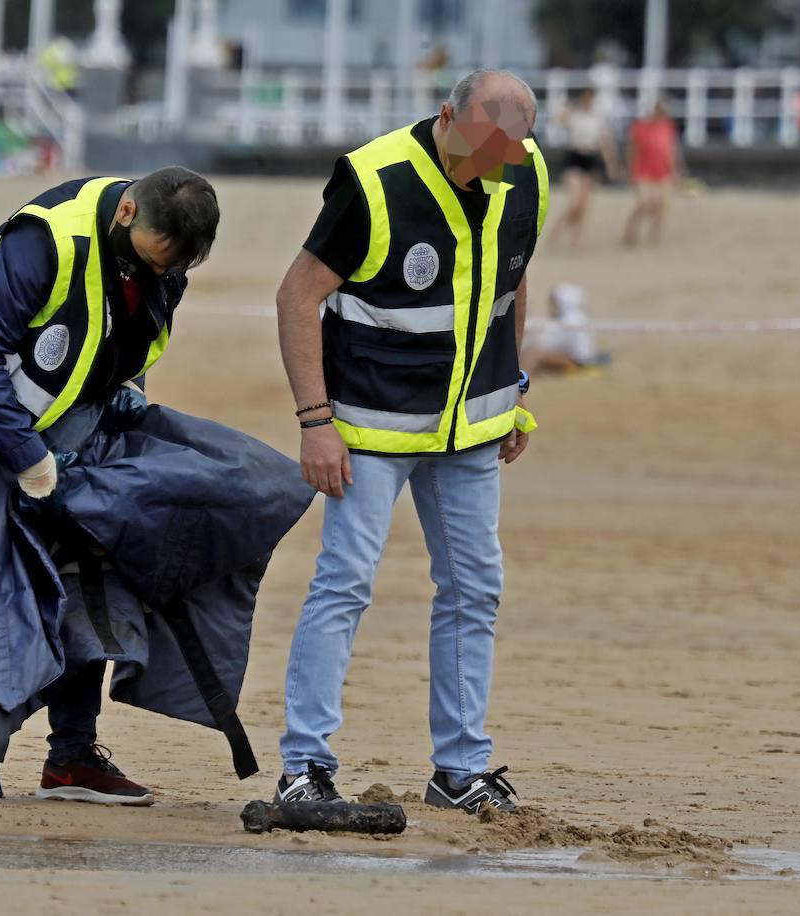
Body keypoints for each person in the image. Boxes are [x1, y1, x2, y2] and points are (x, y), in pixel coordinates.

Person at [0, 168, 220, 804]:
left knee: (86, 576)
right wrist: (27, 456)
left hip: (70, 437)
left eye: (172, 267)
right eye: (150, 259)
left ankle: (71, 756)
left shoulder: (167, 258)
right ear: (126, 212)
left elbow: (127, 344)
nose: (160, 275)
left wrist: (125, 399)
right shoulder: (44, 240)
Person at [272, 68, 548, 815]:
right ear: (446, 117)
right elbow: (298, 295)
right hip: (369, 429)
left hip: (470, 432)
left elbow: (511, 281)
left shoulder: (523, 168)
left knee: (475, 588)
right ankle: (304, 767)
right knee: (346, 582)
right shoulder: (373, 180)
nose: (491, 173)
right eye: (479, 154)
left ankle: (460, 770)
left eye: (507, 157)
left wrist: (513, 392)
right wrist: (315, 422)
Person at [545, 88, 619, 249]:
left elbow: (604, 143)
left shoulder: (597, 119)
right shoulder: (574, 115)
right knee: (574, 202)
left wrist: (611, 164)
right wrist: (565, 107)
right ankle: (556, 231)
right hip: (574, 158)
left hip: (590, 158)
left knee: (584, 205)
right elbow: (556, 121)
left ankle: (576, 238)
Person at [621, 101, 680, 247]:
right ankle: (631, 230)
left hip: (662, 170)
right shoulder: (641, 127)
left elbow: (671, 150)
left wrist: (675, 169)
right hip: (643, 170)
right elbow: (633, 150)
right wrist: (630, 170)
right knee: (643, 202)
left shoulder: (667, 127)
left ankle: (654, 234)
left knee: (661, 203)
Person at [522, 283, 608, 374]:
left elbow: (545, 343)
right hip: (577, 358)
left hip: (579, 363)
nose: (551, 307)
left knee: (535, 353)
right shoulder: (578, 318)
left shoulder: (569, 322)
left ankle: (522, 378)